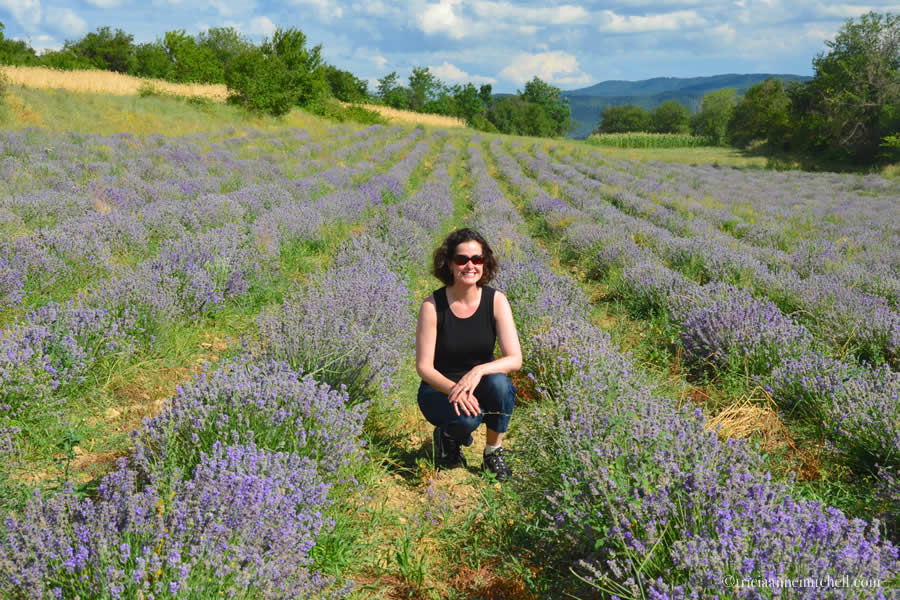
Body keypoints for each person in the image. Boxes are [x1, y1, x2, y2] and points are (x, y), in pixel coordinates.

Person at [415, 228, 522, 480]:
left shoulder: (496, 301)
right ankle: (448, 436)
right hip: (440, 388)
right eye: (462, 259)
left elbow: (515, 359)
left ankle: (493, 452)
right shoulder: (432, 306)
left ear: (485, 263)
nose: (470, 265)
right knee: (468, 418)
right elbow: (424, 367)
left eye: (477, 259)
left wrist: (479, 370)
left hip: (479, 383)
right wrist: (456, 389)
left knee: (501, 385)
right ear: (450, 264)